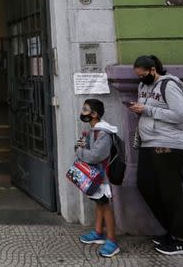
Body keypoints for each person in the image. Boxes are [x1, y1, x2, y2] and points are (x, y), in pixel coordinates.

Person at [127, 55, 183, 256]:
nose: (140, 78)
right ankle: (171, 230)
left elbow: (181, 116)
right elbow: (149, 110)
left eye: (142, 74)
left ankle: (181, 240)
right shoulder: (142, 87)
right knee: (144, 184)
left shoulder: (169, 85)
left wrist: (147, 109)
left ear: (153, 70)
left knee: (172, 191)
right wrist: (139, 109)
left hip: (169, 144)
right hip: (149, 143)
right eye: (137, 75)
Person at [76, 98, 120, 258]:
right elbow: (81, 145)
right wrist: (81, 146)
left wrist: (80, 151)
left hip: (102, 177)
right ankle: (98, 232)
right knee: (99, 204)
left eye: (85, 109)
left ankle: (112, 241)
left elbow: (95, 155)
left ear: (94, 114)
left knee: (105, 207)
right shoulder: (92, 131)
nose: (82, 112)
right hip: (95, 176)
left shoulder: (103, 133)